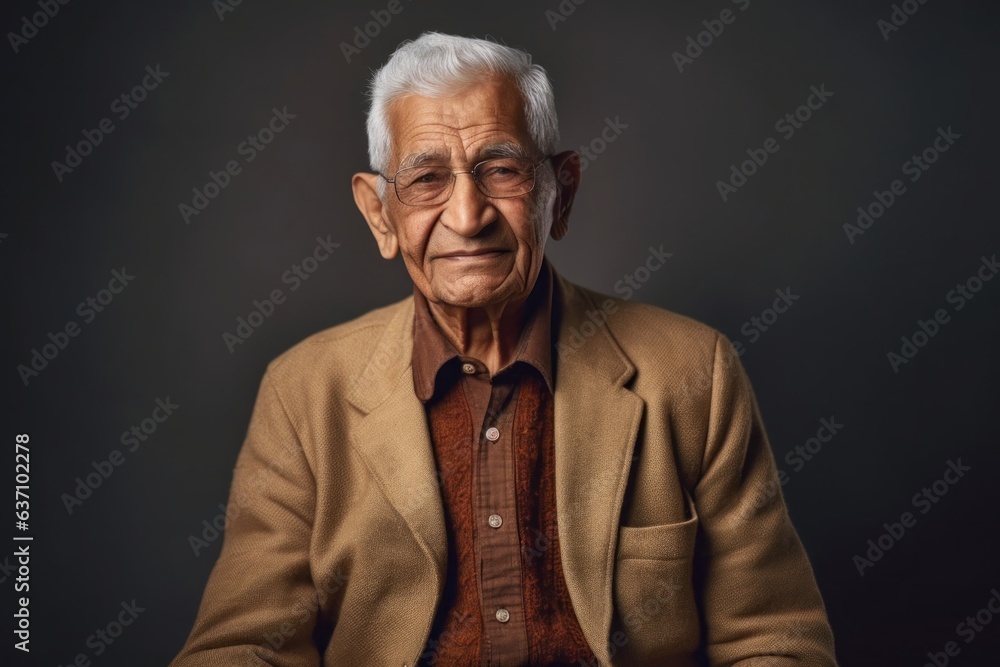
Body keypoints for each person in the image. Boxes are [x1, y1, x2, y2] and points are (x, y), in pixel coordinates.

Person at [171, 31, 837, 667]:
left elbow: (775, 640)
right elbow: (243, 645)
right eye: (427, 178)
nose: (467, 215)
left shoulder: (693, 372)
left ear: (561, 192)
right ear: (380, 213)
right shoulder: (303, 391)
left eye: (501, 169)